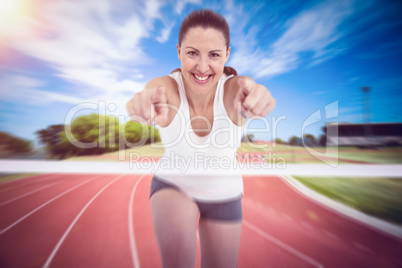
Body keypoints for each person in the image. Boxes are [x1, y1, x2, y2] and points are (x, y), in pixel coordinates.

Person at [126, 9, 275, 268]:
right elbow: (155, 90)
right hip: (174, 185)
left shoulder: (233, 90)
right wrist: (145, 100)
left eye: (214, 55)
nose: (203, 67)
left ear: (227, 54)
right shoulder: (169, 87)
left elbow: (244, 86)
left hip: (224, 191)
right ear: (179, 52)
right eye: (192, 53)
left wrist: (257, 94)